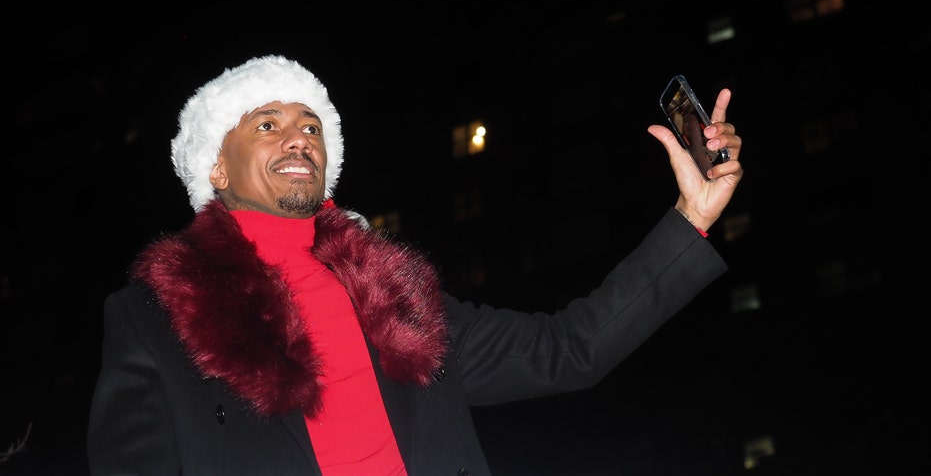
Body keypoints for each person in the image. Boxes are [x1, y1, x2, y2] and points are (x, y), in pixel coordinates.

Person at [87, 54, 743, 475]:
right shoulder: (157, 315)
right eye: (266, 124)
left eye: (312, 126)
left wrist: (692, 216)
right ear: (217, 165)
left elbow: (568, 348)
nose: (298, 136)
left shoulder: (395, 300)